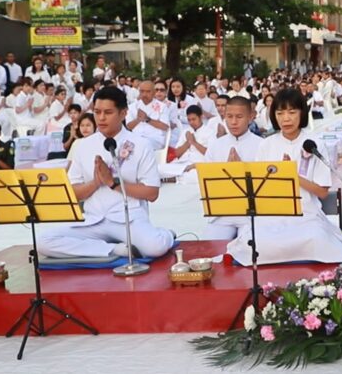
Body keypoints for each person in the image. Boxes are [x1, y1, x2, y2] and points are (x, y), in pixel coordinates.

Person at [226, 88, 342, 264]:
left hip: (306, 214)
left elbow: (322, 192)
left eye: (292, 112)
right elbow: (258, 186)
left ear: (301, 113)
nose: (286, 119)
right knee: (255, 242)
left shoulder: (314, 144)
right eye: (280, 113)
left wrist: (292, 175)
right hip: (273, 214)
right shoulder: (267, 144)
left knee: (315, 239)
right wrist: (239, 170)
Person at [37, 87, 176, 259]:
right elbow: (73, 192)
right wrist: (95, 183)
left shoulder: (141, 145)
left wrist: (113, 183)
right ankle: (114, 250)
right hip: (93, 220)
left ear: (123, 113)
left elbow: (152, 193)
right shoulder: (83, 145)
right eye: (97, 112)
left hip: (128, 219)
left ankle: (167, 234)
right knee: (43, 241)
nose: (101, 118)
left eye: (108, 112)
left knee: (155, 247)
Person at [202, 97, 263, 240]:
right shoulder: (215, 146)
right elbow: (208, 186)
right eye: (229, 116)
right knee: (211, 247)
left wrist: (242, 172)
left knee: (250, 248)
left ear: (251, 117)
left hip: (253, 213)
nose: (234, 122)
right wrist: (227, 174)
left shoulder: (262, 145)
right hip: (223, 213)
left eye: (239, 117)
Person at [158, 105, 216, 183]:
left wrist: (194, 143)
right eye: (189, 120)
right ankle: (183, 171)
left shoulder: (210, 132)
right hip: (182, 164)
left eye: (194, 119)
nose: (191, 122)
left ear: (201, 117)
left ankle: (173, 178)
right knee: (158, 168)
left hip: (198, 164)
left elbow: (210, 154)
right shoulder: (185, 132)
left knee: (201, 175)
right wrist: (187, 143)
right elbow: (177, 153)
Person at [125, 80, 170, 151]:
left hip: (155, 139)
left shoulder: (162, 107)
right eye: (142, 91)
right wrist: (138, 119)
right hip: (136, 138)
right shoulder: (133, 106)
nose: (144, 94)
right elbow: (128, 126)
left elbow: (165, 126)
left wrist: (147, 119)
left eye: (148, 91)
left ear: (154, 92)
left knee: (142, 145)